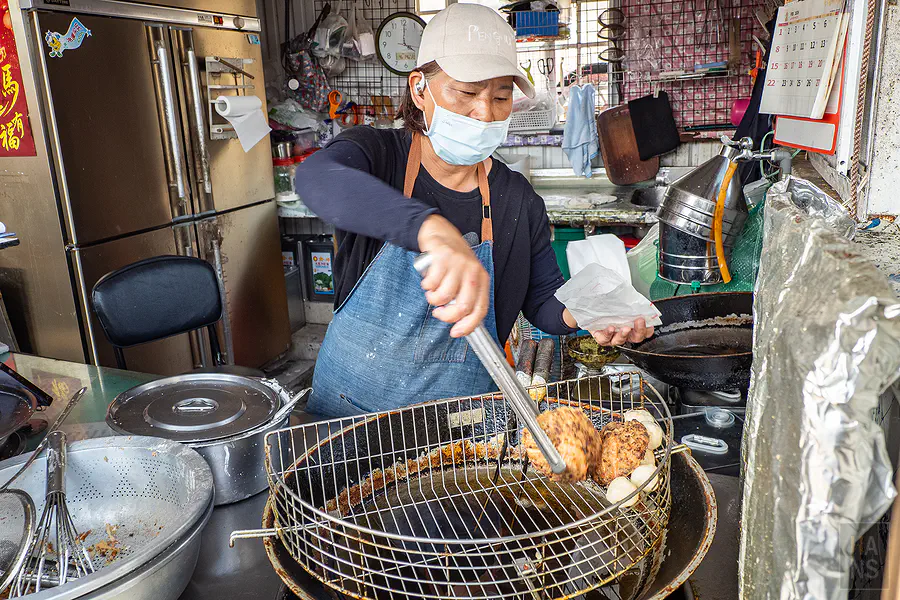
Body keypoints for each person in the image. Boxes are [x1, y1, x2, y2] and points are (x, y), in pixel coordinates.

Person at [297, 3, 653, 418]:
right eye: (466, 93)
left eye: (501, 96)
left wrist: (592, 312)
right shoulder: (378, 156)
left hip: (459, 433)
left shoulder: (517, 201)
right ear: (419, 89)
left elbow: (542, 303)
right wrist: (430, 230)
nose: (484, 112)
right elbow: (316, 178)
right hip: (347, 417)